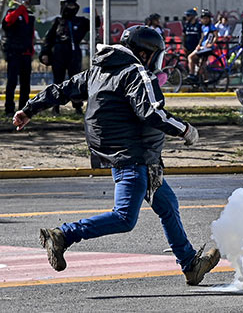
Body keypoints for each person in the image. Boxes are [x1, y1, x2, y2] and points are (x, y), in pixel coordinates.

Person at [12, 25, 220, 286]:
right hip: (133, 157)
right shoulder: (135, 72)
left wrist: (29, 109)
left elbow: (63, 89)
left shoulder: (100, 70)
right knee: (124, 217)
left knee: (167, 205)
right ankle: (63, 235)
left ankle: (190, 264)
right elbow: (151, 113)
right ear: (145, 54)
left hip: (135, 157)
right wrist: (185, 129)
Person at [40, 0, 90, 115]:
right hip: (59, 54)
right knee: (58, 81)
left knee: (76, 81)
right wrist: (45, 53)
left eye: (73, 4)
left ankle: (77, 107)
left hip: (74, 54)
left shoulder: (80, 21)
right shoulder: (57, 22)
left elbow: (96, 23)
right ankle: (56, 107)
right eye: (68, 4)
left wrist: (95, 11)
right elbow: (48, 39)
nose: (70, 7)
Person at [2, 0, 35, 117]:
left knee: (25, 84)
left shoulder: (30, 16)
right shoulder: (12, 12)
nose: (24, 0)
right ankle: (9, 109)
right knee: (12, 82)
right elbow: (8, 21)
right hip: (14, 53)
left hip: (26, 54)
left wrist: (31, 50)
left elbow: (31, 34)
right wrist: (20, 8)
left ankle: (24, 109)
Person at [185, 9, 218, 83]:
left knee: (190, 57)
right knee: (201, 64)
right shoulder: (203, 27)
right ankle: (205, 78)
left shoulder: (211, 27)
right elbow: (202, 38)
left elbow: (216, 36)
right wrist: (199, 45)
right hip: (202, 47)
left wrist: (211, 44)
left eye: (206, 18)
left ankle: (192, 74)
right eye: (203, 18)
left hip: (207, 48)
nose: (205, 20)